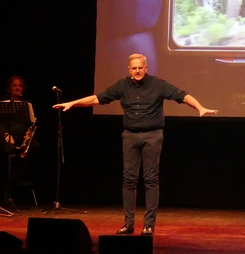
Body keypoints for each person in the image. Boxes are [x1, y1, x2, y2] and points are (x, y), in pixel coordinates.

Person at [53, 53, 218, 236]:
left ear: (146, 68)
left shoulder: (158, 84)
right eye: (134, 68)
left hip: (152, 136)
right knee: (129, 180)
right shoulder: (122, 86)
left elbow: (182, 95)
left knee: (150, 179)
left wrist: (200, 107)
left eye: (141, 67)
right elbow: (97, 99)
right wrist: (73, 103)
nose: (138, 70)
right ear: (129, 69)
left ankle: (149, 225)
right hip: (130, 137)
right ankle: (128, 224)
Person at [0, 75, 39, 205]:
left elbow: (31, 123)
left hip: (22, 135)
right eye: (14, 85)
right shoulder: (1, 103)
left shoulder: (27, 104)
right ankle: (6, 183)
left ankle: (18, 178)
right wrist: (6, 134)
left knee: (35, 147)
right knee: (7, 150)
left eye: (20, 85)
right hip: (7, 136)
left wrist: (27, 136)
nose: (17, 87)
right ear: (9, 88)